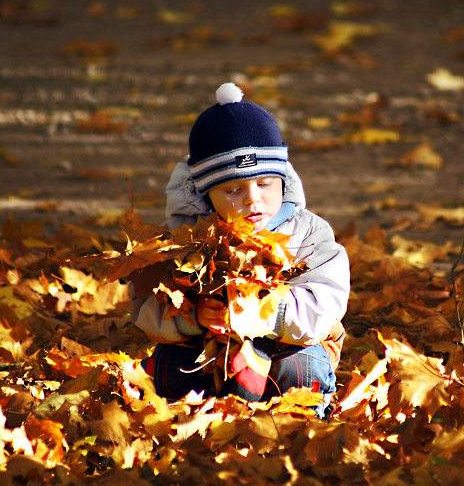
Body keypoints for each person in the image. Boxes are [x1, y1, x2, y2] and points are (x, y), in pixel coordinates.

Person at [131, 82, 349, 418]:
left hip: (286, 347)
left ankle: (296, 417)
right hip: (206, 349)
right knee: (168, 367)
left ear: (283, 180)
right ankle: (195, 414)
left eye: (264, 184)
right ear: (206, 196)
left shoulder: (308, 232)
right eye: (233, 189)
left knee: (302, 369)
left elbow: (326, 301)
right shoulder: (187, 238)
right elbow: (146, 304)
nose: (252, 199)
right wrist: (194, 315)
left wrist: (266, 310)